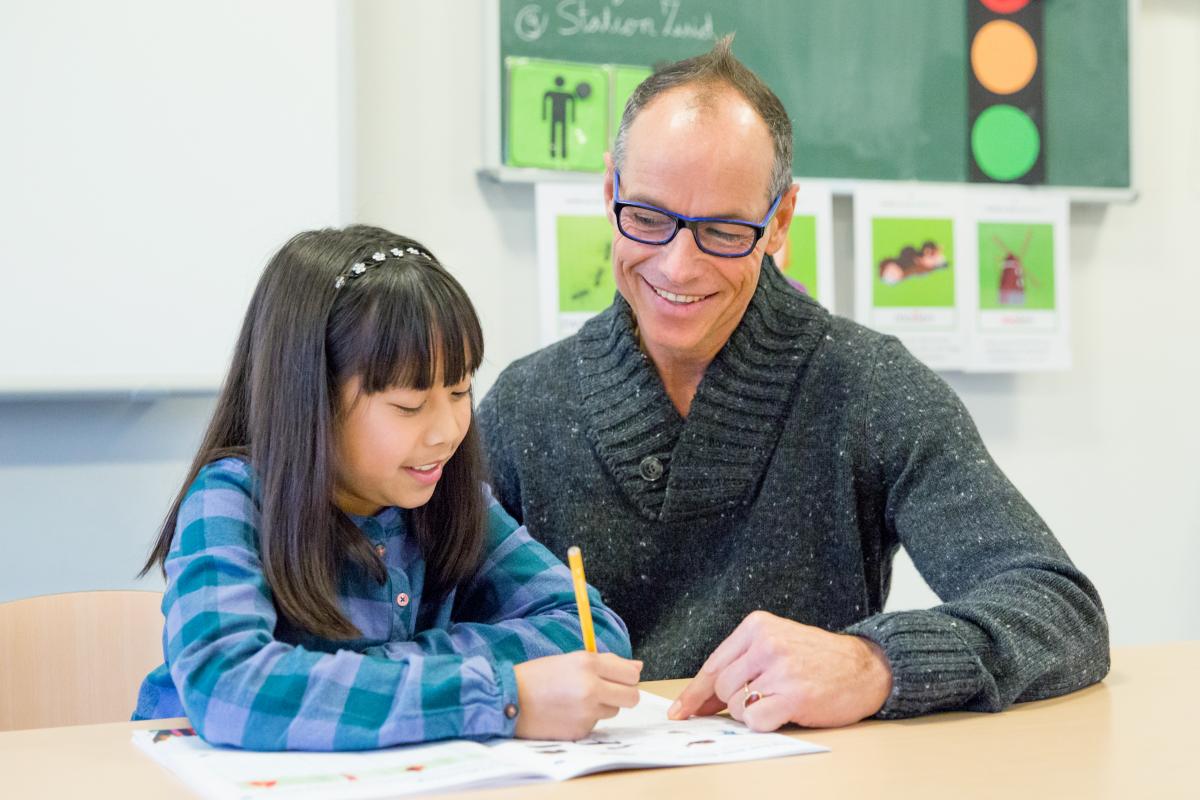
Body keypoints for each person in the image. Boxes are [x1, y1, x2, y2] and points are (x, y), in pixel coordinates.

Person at [477, 38, 1109, 732]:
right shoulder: (524, 405)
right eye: (649, 218)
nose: (678, 266)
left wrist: (874, 663)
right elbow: (409, 624)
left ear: (779, 219)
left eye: (722, 231)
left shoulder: (870, 388)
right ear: (609, 193)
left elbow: (1061, 610)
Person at [133, 225, 640, 750]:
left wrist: (369, 669)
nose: (446, 432)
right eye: (408, 405)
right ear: (311, 398)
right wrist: (495, 695)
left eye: (460, 389)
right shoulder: (232, 500)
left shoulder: (442, 495)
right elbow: (228, 686)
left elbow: (593, 632)